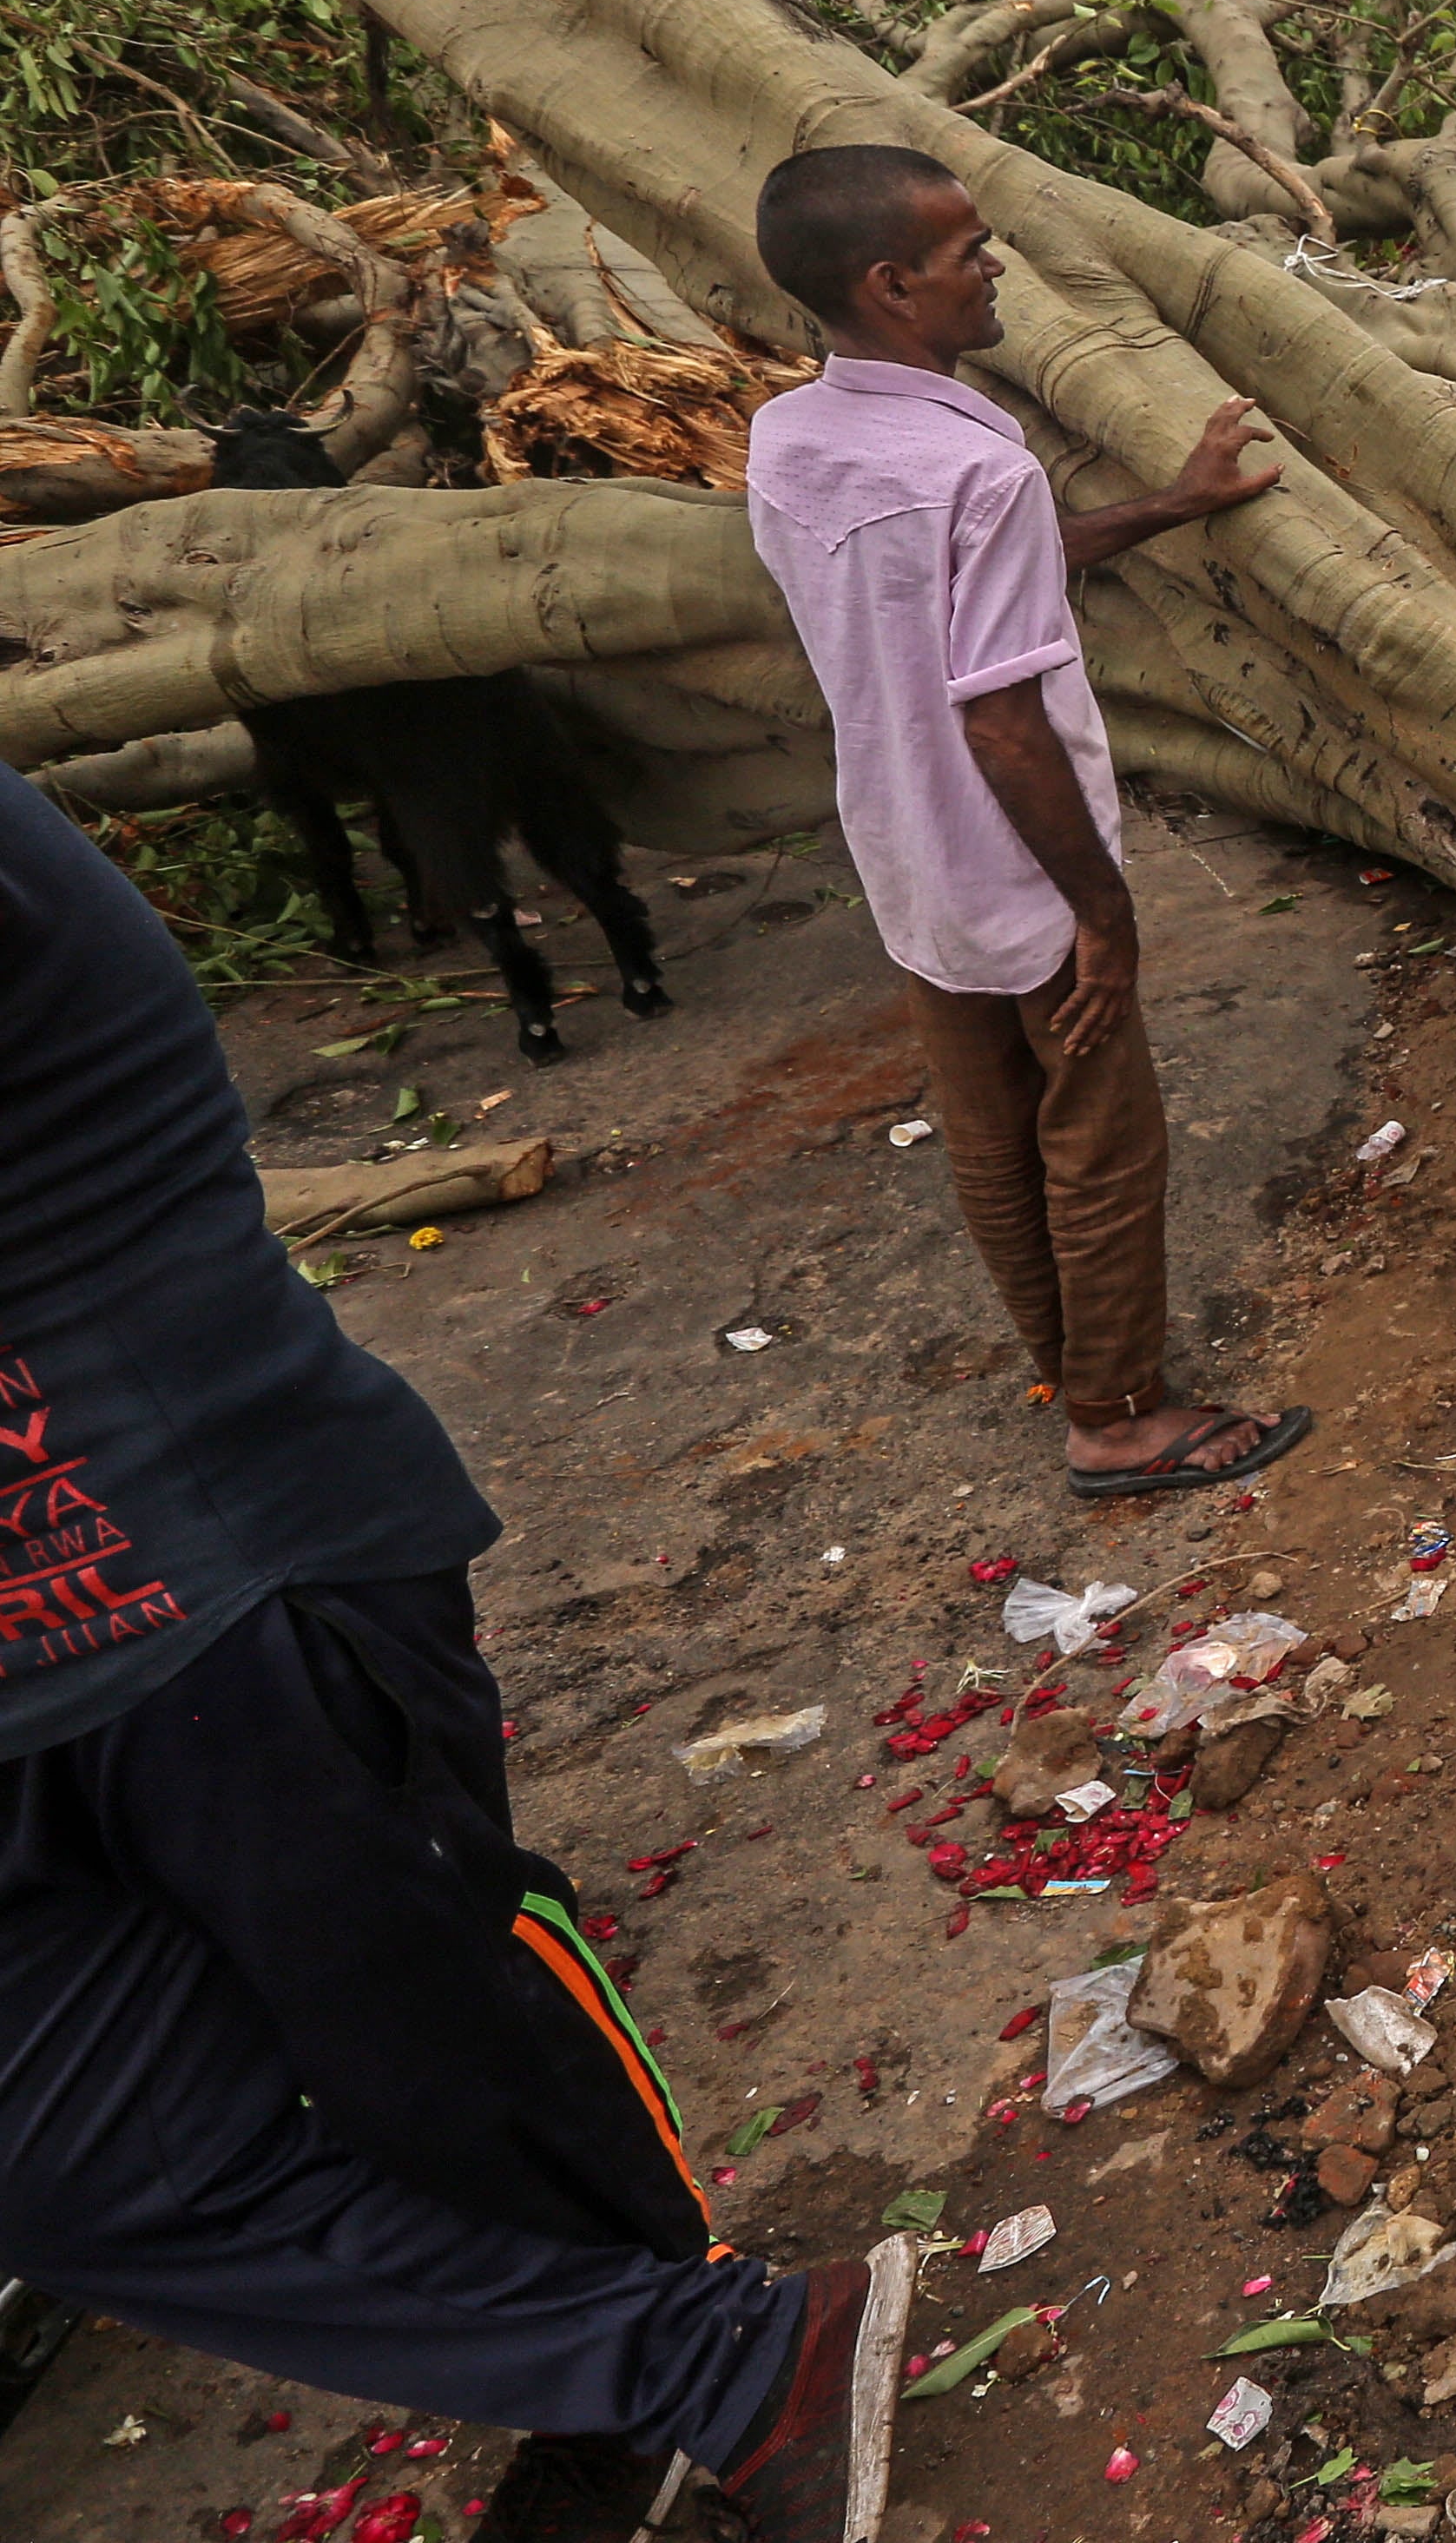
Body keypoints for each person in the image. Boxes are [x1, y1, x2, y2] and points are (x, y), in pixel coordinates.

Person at [0, 762, 910, 2543]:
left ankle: (702, 2366)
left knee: (453, 2054)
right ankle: (661, 2360)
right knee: (64, 2165)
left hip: (228, 1593)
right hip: (39, 1689)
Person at [742, 146, 1315, 1505]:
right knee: (1101, 1135)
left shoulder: (794, 440)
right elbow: (1001, 714)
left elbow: (953, 590)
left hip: (902, 850)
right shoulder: (972, 470)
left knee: (992, 1128)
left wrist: (1176, 502)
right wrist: (1103, 910)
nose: (993, 268)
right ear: (893, 286)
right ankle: (1118, 1417)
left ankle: (1067, 1364)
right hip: (1017, 862)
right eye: (967, 253)